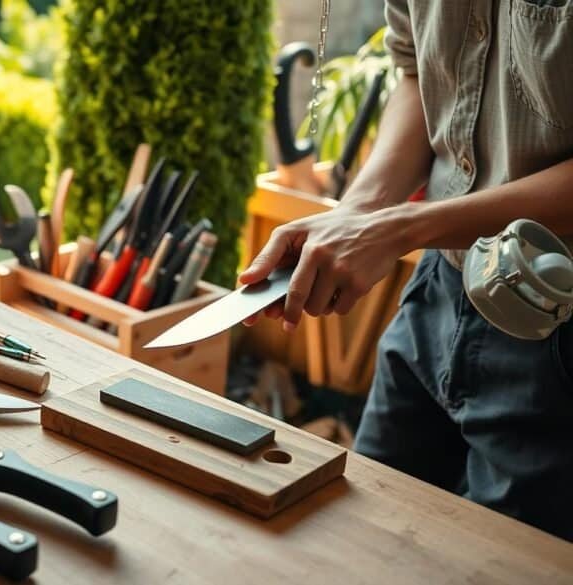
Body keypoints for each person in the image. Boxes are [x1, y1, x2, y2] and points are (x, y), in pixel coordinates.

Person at [242, 1, 573, 541]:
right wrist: (358, 211)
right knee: (366, 535)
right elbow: (422, 73)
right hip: (438, 293)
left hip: (557, 327)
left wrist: (403, 229)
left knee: (504, 564)